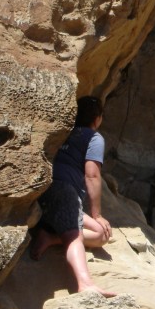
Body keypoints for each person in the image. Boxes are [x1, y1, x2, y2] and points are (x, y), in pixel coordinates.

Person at [30, 96, 115, 297]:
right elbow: (92, 174)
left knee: (101, 235)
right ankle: (85, 284)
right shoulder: (94, 138)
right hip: (64, 191)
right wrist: (97, 214)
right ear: (97, 119)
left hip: (43, 190)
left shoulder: (64, 132)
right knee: (74, 237)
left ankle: (49, 237)